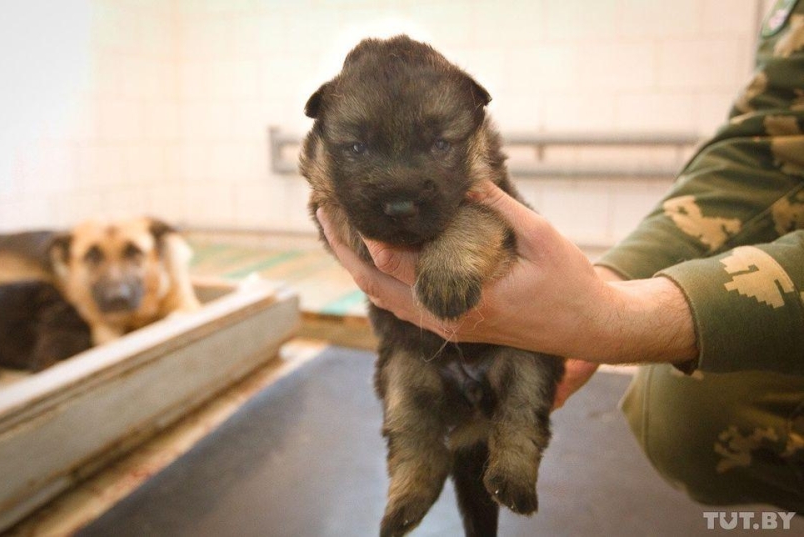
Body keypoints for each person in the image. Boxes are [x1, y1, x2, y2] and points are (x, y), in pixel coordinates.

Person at [318, 0, 804, 513]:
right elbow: (762, 149)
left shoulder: (473, 171)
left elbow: (491, 229)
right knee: (407, 389)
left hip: (508, 350)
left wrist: (623, 318)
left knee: (675, 408)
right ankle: (416, 472)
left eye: (438, 145)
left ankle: (510, 450)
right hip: (418, 350)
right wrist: (607, 286)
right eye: (358, 150)